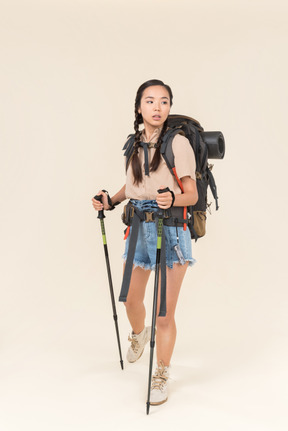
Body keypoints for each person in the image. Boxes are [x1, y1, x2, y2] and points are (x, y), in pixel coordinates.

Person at [92, 79, 198, 406]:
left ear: (169, 107)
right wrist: (111, 199)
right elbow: (134, 186)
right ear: (139, 107)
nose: (157, 107)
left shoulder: (178, 143)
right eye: (150, 101)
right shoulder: (134, 144)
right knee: (130, 299)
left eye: (163, 101)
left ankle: (162, 372)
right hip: (138, 228)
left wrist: (173, 199)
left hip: (172, 231)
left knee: (164, 313)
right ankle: (139, 334)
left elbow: (191, 194)